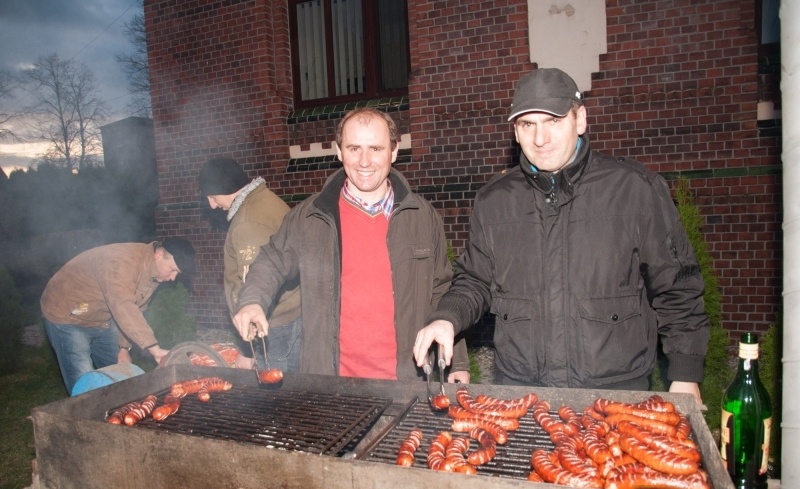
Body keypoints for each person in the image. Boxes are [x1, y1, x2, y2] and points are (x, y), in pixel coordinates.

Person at [413, 68, 709, 402]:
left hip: (617, 395)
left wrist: (685, 375)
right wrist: (446, 318)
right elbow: (474, 281)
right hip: (522, 393)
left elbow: (678, 287)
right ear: (515, 131)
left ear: (580, 120)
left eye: (553, 120)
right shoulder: (494, 201)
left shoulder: (635, 191)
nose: (541, 138)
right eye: (528, 125)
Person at [232, 108, 470, 382]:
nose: (364, 161)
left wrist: (457, 362)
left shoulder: (422, 216)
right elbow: (271, 261)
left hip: (407, 380)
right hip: (331, 382)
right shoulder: (310, 216)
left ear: (393, 152)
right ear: (339, 151)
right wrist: (252, 301)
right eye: (354, 148)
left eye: (376, 149)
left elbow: (442, 290)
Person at [41, 238, 196, 394]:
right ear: (159, 254)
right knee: (84, 382)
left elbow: (136, 310)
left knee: (120, 375)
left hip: (101, 317)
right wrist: (154, 349)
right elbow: (123, 305)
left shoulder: (152, 275)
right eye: (173, 269)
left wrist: (123, 348)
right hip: (67, 313)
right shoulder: (121, 261)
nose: (173, 278)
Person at [198, 158, 302, 372]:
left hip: (273, 326)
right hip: (290, 314)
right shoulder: (265, 200)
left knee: (275, 395)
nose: (212, 205)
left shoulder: (248, 223)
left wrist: (248, 351)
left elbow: (254, 287)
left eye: (211, 196)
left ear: (223, 187)